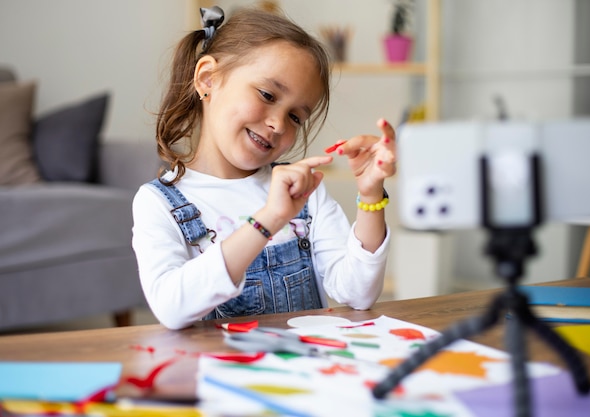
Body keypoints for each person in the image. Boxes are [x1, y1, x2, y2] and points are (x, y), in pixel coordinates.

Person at [132, 6, 397, 330]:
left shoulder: (305, 193)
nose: (276, 123)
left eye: (296, 117)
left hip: (305, 372)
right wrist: (269, 219)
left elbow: (357, 294)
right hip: (217, 374)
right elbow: (171, 306)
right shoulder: (158, 202)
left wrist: (370, 196)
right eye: (268, 94)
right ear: (208, 79)